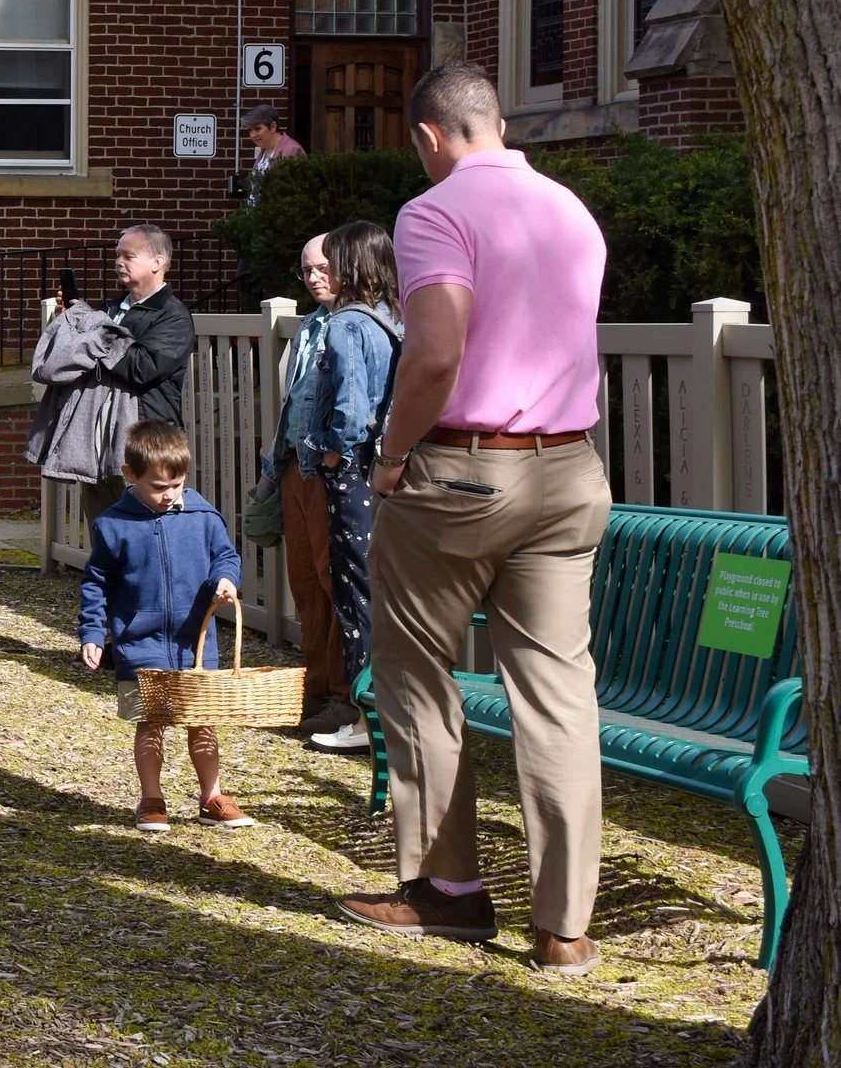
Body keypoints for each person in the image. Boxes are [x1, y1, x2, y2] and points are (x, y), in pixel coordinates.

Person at [334, 61, 610, 976]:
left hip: (459, 469)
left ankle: (449, 893)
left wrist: (394, 453)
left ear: (429, 136)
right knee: (560, 695)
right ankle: (564, 925)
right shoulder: (571, 210)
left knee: (416, 674)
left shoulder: (436, 210)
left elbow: (437, 348)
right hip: (569, 468)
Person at [78, 420, 254, 833]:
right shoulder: (113, 524)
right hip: (139, 644)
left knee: (203, 720)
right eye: (158, 486)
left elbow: (225, 558)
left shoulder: (203, 515)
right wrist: (91, 632)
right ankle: (151, 799)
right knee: (150, 723)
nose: (169, 494)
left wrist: (226, 580)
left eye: (176, 484)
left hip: (196, 643)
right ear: (130, 475)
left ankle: (211, 796)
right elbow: (96, 583)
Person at [298, 221, 403, 753]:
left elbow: (351, 413)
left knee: (356, 593)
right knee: (385, 593)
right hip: (388, 475)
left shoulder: (344, 327)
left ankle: (366, 723)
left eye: (332, 262)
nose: (322, 273)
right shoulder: (393, 322)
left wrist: (333, 454)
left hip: (352, 474)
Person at [261, 234, 343, 733]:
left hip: (332, 471)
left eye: (323, 268)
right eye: (306, 269)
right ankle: (314, 688)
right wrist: (272, 468)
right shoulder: (310, 326)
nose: (314, 277)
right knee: (306, 585)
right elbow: (293, 402)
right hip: (295, 465)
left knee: (336, 583)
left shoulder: (365, 327)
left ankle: (342, 695)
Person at [72, 225, 195, 528]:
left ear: (157, 262)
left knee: (147, 523)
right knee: (104, 522)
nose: (118, 262)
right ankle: (107, 575)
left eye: (129, 256)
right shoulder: (112, 308)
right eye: (117, 255)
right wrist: (77, 318)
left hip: (147, 435)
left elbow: (142, 367)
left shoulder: (172, 315)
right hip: (101, 433)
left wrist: (96, 333)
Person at [242, 105, 305, 202]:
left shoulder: (291, 150)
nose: (253, 135)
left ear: (273, 127)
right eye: (250, 130)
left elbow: (293, 193)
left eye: (258, 129)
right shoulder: (264, 150)